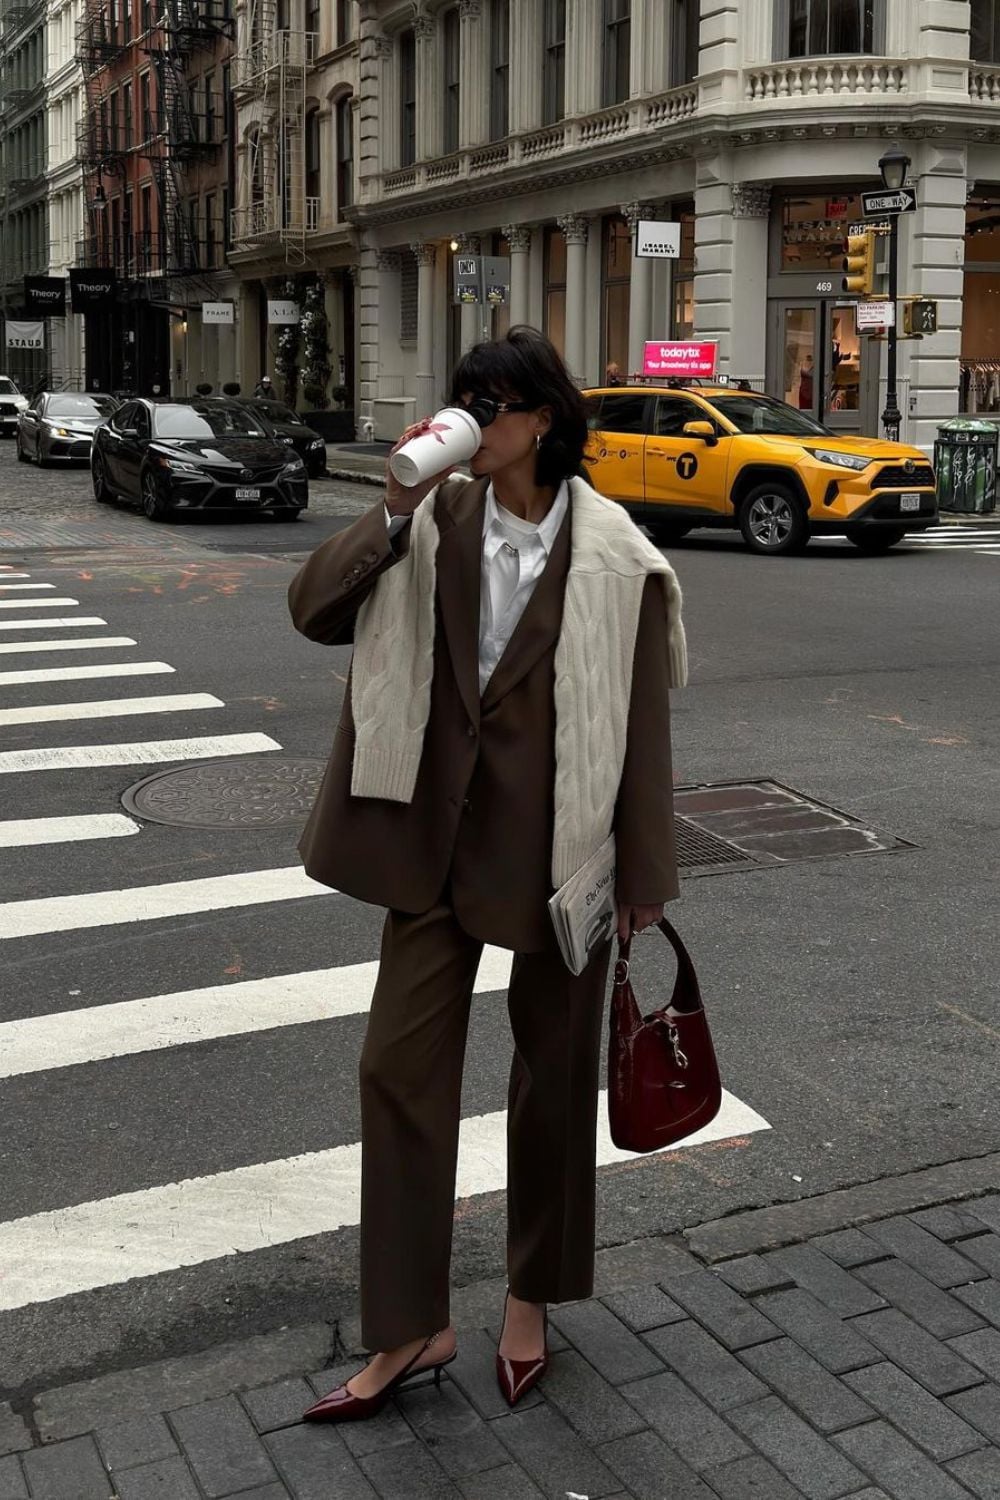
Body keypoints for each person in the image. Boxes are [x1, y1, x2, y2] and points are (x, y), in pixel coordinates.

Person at [287, 326, 685, 1424]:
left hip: (559, 846)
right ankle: (412, 1322)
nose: (472, 418)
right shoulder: (433, 519)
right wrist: (392, 505)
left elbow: (641, 725)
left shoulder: (612, 552)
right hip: (432, 843)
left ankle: (530, 1297)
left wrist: (644, 871)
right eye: (462, 399)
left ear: (543, 419)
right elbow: (313, 610)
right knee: (395, 1069)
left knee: (553, 1083)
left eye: (493, 404)